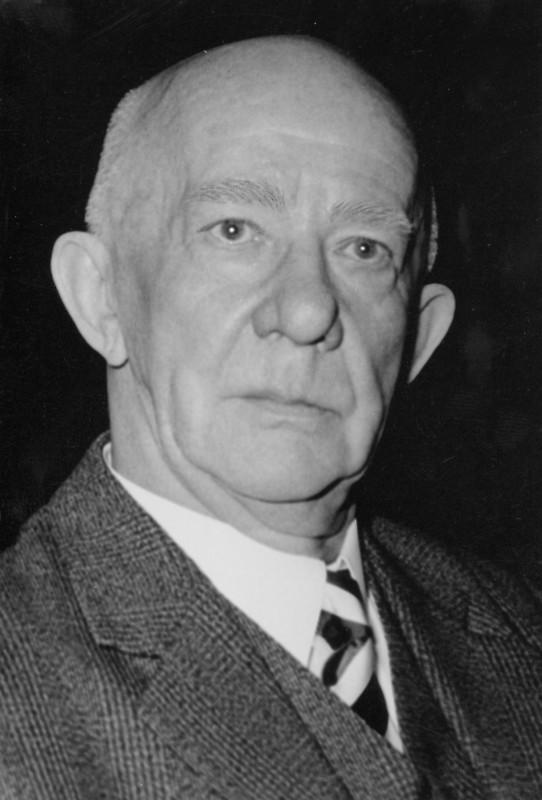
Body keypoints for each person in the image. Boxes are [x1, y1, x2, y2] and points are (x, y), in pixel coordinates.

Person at [0, 35, 540, 800]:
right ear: (101, 298)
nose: (310, 308)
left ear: (418, 340)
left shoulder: (519, 631)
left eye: (364, 248)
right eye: (234, 230)